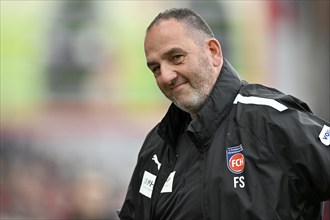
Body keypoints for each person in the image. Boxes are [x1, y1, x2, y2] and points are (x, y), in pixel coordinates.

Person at [118, 8, 330, 220]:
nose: (165, 76)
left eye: (176, 57)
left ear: (213, 52)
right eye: (155, 68)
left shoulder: (269, 120)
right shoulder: (156, 145)